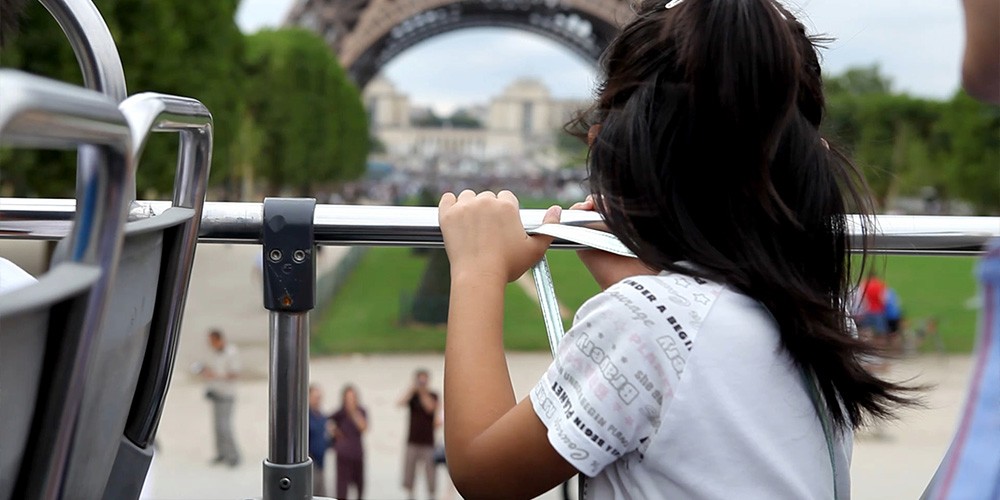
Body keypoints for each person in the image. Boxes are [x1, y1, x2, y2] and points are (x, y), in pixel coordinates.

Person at [435, 0, 916, 498]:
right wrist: (650, 287)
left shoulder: (640, 321)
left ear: (623, 162)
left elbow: (482, 471)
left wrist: (478, 271)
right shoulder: (824, 306)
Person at [200, 329, 241, 467]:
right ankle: (221, 453)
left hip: (227, 394)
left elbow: (234, 374)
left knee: (225, 426)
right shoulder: (213, 354)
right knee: (217, 426)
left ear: (219, 339)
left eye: (212, 341)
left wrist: (216, 375)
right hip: (215, 392)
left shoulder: (231, 352)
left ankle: (234, 455)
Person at [399, 369, 438, 499]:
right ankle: (410, 496)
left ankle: (431, 496)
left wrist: (422, 393)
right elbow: (400, 403)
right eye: (419, 380)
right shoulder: (412, 397)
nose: (422, 383)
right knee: (409, 473)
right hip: (412, 441)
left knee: (431, 474)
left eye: (424, 380)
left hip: (428, 442)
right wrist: (411, 389)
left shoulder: (433, 395)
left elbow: (431, 408)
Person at [330, 385, 368, 499]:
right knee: (342, 486)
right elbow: (327, 422)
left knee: (360, 485)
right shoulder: (339, 413)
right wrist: (336, 433)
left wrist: (353, 413)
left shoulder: (361, 411)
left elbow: (364, 427)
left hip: (357, 453)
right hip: (343, 455)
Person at [308, 385, 330, 496]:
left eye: (319, 397)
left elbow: (326, 438)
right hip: (310, 461)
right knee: (311, 492)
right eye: (315, 397)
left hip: (321, 461)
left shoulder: (322, 416)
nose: (318, 400)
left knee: (322, 493)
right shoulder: (305, 417)